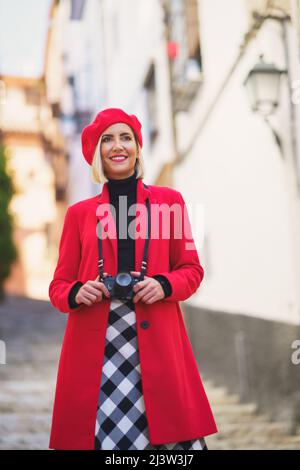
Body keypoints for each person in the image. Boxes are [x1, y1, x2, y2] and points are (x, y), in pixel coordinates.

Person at [48, 108, 218, 450]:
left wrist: (164, 284)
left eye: (126, 137)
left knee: (168, 444)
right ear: (98, 153)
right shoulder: (78, 214)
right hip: (97, 349)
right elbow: (58, 286)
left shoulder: (170, 202)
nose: (117, 145)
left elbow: (192, 270)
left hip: (158, 341)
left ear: (138, 148)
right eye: (107, 139)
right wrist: (78, 291)